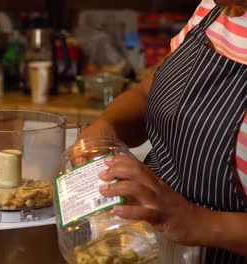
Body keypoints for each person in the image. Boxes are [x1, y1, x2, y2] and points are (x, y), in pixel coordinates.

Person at [77, 0, 247, 262]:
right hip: (153, 247)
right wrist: (108, 127)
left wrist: (197, 222)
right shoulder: (216, 10)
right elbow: (148, 94)